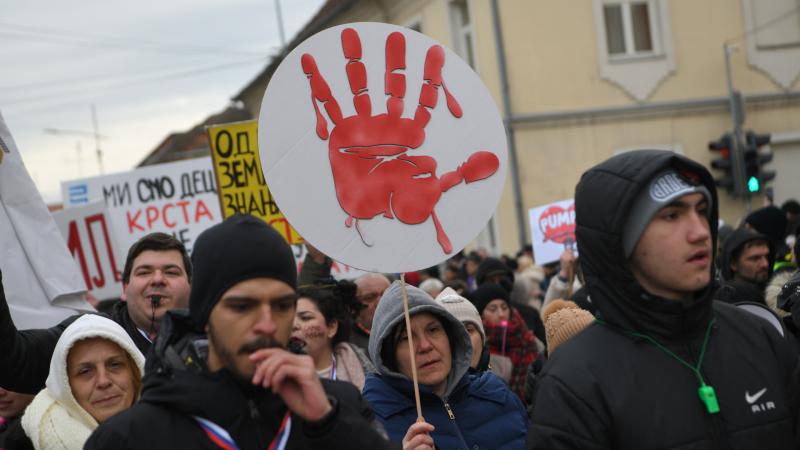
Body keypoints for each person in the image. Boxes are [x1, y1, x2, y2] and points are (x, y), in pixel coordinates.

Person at [529, 150, 799, 449]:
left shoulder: (761, 337)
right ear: (620, 239)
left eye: (702, 210)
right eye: (672, 215)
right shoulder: (574, 382)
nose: (700, 232)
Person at [85, 214, 397, 450]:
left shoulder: (338, 404)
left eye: (282, 305)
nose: (266, 324)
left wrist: (329, 425)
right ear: (204, 316)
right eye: (242, 307)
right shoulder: (131, 437)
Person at [0, 233, 191, 394]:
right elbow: (13, 362)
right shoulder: (87, 333)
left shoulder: (215, 338)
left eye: (171, 272)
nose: (157, 279)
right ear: (124, 288)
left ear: (192, 287)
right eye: (144, 272)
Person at [363, 281, 528, 449]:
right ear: (388, 355)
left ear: (451, 336)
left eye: (433, 330)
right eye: (406, 338)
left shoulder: (496, 394)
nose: (425, 346)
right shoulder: (371, 423)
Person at [13, 314, 144, 450]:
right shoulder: (23, 444)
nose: (103, 381)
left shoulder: (166, 427)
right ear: (65, 386)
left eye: (115, 364)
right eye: (85, 371)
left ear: (135, 372)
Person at [291, 282, 375, 391]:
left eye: (305, 318)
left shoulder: (368, 377)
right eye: (290, 319)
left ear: (331, 327)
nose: (293, 326)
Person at [470, 283, 537, 400]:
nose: (501, 314)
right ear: (481, 314)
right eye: (493, 309)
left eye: (504, 307)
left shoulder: (528, 339)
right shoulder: (477, 348)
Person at [433, 287, 488, 371]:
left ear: (481, 337)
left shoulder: (499, 380)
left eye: (469, 330)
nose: (463, 338)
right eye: (450, 331)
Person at [716, 227, 773, 304]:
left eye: (767, 256)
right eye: (755, 258)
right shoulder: (719, 300)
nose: (765, 264)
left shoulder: (776, 294)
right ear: (733, 263)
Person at [350, 273, 391, 351]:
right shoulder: (348, 346)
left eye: (387, 294)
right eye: (370, 297)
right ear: (353, 307)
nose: (380, 302)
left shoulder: (408, 331)